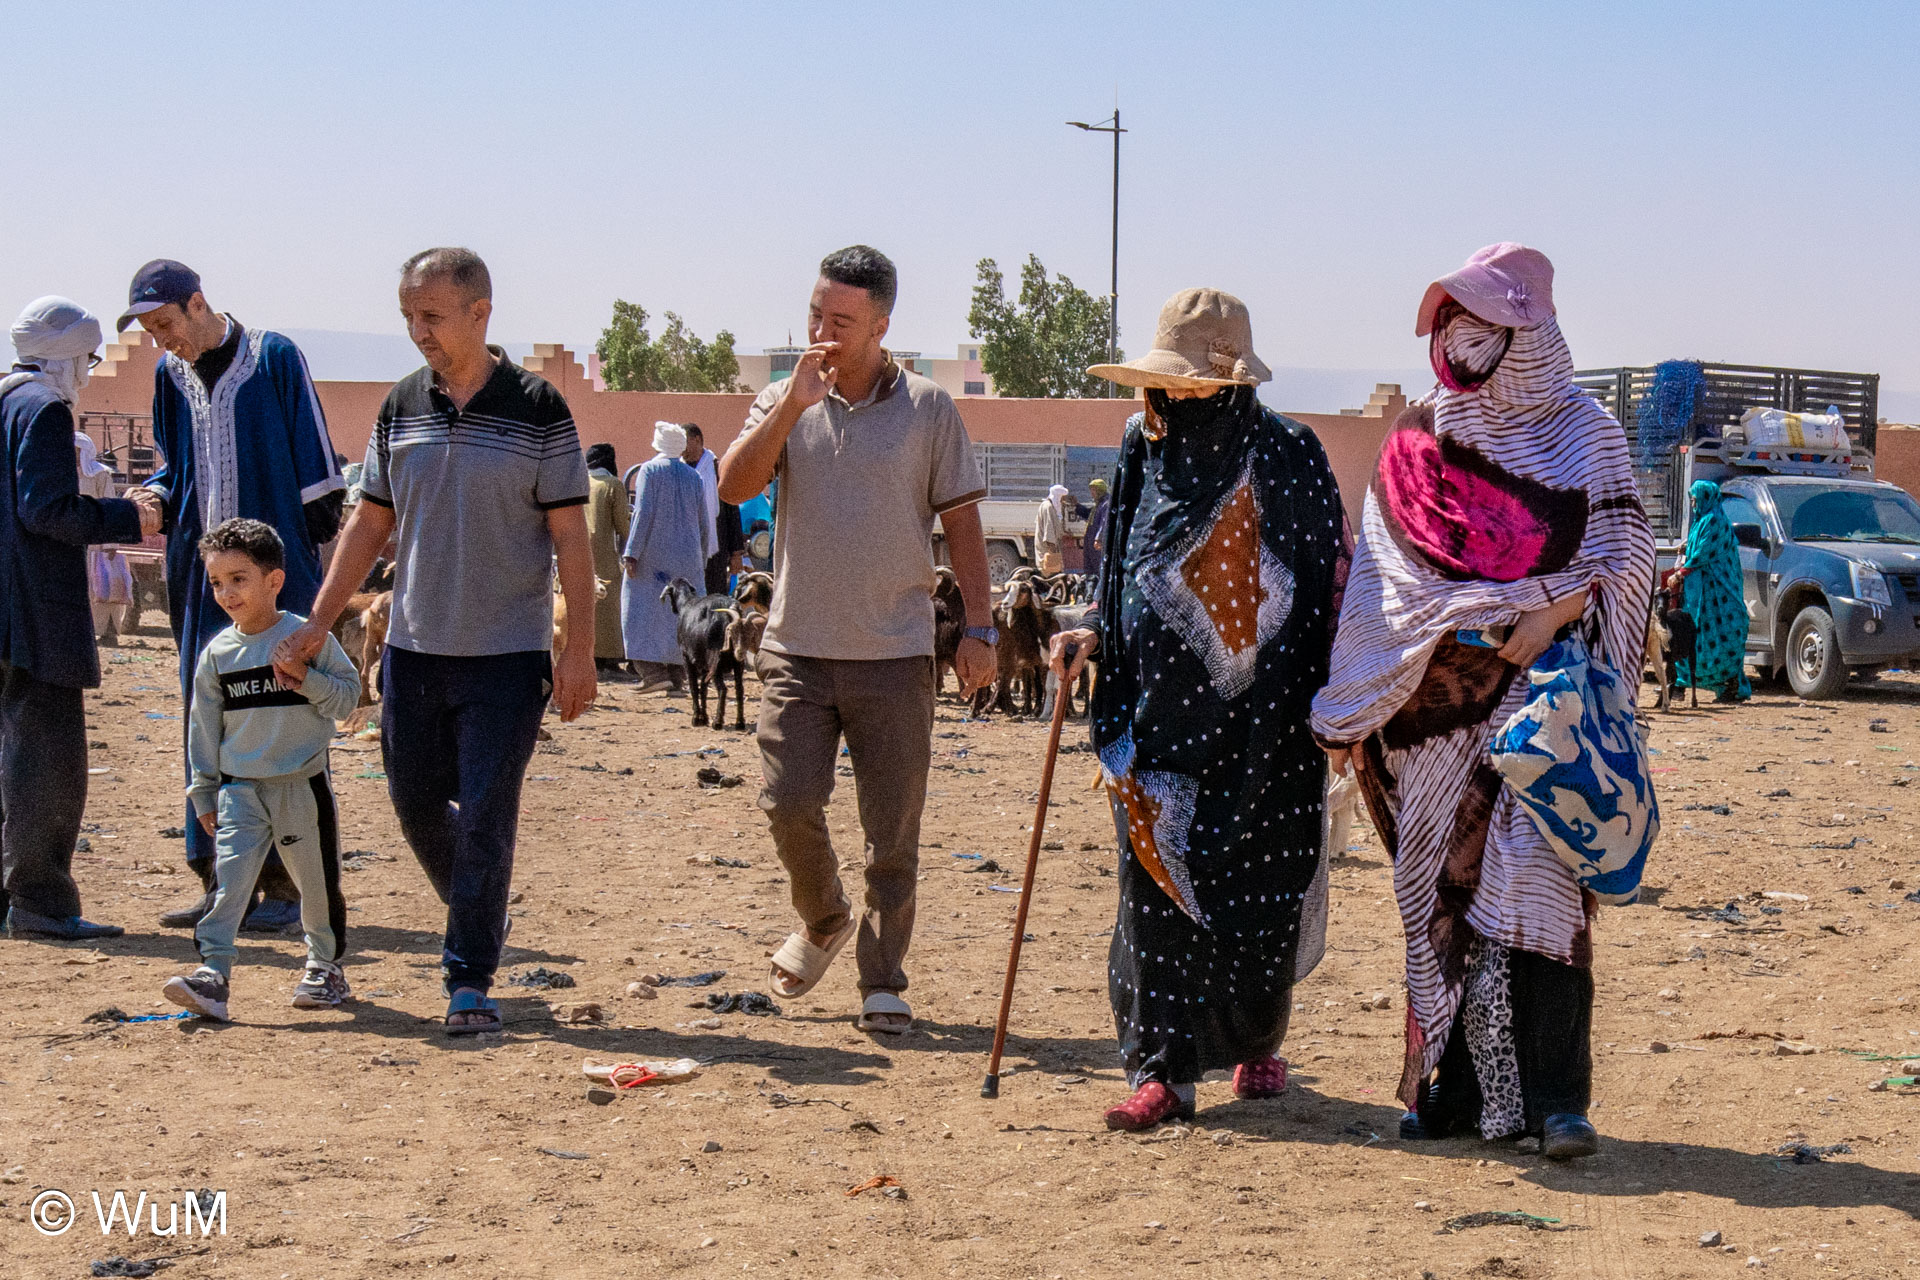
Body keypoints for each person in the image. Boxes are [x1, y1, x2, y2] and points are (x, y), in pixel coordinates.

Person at [1310, 244, 1656, 1160]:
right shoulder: (1420, 436)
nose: (1461, 344)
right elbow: (1382, 583)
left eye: (1483, 327)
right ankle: (1453, 1095)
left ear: (1530, 337)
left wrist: (1551, 610)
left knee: (1542, 887)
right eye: (1452, 326)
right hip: (1428, 714)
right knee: (1444, 898)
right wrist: (1355, 702)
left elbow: (1624, 555)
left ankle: (1558, 1102)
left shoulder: (1588, 435)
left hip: (1544, 708)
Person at [1045, 288, 1349, 1129]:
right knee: (1154, 882)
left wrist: (1344, 697)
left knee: (1261, 883)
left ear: (1229, 382)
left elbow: (1328, 576)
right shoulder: (1142, 447)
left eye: (1187, 381)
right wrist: (1093, 630)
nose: (1170, 394)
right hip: (1155, 715)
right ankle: (1163, 1070)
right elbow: (1120, 561)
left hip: (1268, 725)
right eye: (1164, 379)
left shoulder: (1291, 451)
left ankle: (1255, 1041)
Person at [274, 246, 598, 1035]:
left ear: (480, 313)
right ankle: (479, 910)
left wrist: (579, 649)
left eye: (431, 315)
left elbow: (571, 537)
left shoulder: (539, 409)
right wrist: (317, 622)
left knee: (486, 812)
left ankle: (468, 979)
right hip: (414, 649)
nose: (418, 330)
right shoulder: (402, 405)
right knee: (415, 801)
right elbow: (368, 522)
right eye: (408, 317)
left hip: (507, 655)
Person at [719, 244, 996, 1035]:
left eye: (841, 321)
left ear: (881, 326)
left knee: (892, 835)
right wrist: (790, 406)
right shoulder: (782, 398)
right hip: (797, 650)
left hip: (896, 653)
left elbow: (964, 524)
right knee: (787, 802)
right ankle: (824, 917)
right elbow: (735, 487)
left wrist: (979, 629)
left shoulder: (929, 409)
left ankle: (883, 979)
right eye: (815, 315)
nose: (822, 333)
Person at [120, 259, 346, 932]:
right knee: (209, 717)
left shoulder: (273, 358)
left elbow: (316, 468)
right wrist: (154, 497)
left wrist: (294, 572)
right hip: (204, 582)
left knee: (281, 719)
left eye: (167, 324)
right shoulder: (170, 376)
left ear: (198, 304)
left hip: (275, 578)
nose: (163, 340)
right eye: (152, 332)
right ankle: (223, 883)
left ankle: (289, 887)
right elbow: (174, 466)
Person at [0, 297, 159, 940]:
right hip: (36, 613)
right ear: (67, 355)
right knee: (47, 766)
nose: (89, 372)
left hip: (9, 610)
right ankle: (41, 901)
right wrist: (129, 516)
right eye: (88, 359)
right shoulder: (44, 410)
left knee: (12, 758)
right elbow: (47, 510)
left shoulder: (6, 400)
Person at [160, 519, 361, 1020]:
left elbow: (347, 699)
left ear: (274, 580)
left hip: (301, 788)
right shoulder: (218, 654)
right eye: (216, 582)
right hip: (239, 791)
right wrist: (203, 791)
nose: (226, 593)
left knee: (315, 885)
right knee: (228, 884)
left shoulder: (306, 637)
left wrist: (304, 678)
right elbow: (203, 729)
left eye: (239, 579)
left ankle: (325, 967)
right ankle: (213, 974)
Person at [622, 421, 710, 691]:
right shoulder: (694, 477)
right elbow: (704, 522)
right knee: (680, 617)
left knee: (639, 611)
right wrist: (701, 559)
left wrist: (631, 554)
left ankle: (652, 673)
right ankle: (677, 675)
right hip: (689, 559)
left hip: (652, 559)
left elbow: (643, 513)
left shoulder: (649, 470)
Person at [1667, 480, 1750, 702]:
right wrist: (1686, 547)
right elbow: (1697, 545)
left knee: (1723, 637)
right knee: (1691, 634)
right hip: (1700, 593)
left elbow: (1703, 553)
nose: (1693, 504)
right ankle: (1680, 683)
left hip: (1719, 594)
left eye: (1695, 500)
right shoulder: (1702, 521)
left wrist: (1679, 574)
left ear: (1706, 499)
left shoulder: (1714, 520)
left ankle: (1729, 686)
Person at [75, 431, 136, 642]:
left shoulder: (100, 474)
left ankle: (109, 632)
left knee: (104, 586)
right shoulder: (63, 474)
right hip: (74, 540)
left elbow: (109, 507)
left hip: (97, 541)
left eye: (76, 450)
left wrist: (111, 543)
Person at [583, 442, 630, 672]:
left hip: (578, 553)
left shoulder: (580, 483)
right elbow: (623, 526)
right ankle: (609, 657)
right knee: (608, 605)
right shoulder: (613, 485)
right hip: (604, 556)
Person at [1034, 483, 1069, 575]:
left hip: (1050, 546)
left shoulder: (1050, 506)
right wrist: (1052, 551)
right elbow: (1049, 530)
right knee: (1049, 572)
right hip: (1047, 548)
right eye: (1062, 498)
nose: (1063, 501)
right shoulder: (1048, 507)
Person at [1082, 476, 1110, 580]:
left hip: (1097, 545)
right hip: (1091, 543)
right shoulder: (1098, 505)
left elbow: (1104, 522)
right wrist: (1076, 506)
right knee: (1090, 570)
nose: (1092, 493)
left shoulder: (1106, 504)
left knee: (1098, 568)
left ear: (1100, 490)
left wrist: (1099, 538)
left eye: (1094, 490)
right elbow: (1089, 516)